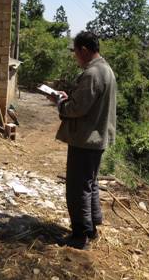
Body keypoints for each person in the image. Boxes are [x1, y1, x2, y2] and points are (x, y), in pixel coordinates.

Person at [51, 31, 117, 250]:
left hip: (85, 139)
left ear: (85, 50)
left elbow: (78, 108)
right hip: (97, 138)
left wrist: (60, 103)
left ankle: (79, 236)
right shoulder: (106, 70)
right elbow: (88, 102)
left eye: (76, 52)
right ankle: (91, 229)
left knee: (77, 187)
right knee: (90, 183)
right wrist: (68, 98)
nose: (75, 56)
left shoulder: (92, 73)